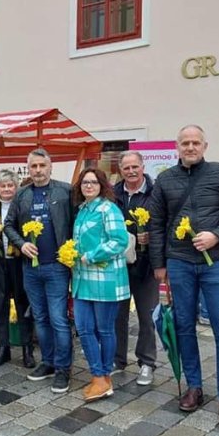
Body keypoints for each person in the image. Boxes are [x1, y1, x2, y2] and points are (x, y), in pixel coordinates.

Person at [148, 125, 219, 426]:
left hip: (215, 262)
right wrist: (159, 265)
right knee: (183, 326)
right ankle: (194, 386)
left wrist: (217, 236)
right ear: (177, 147)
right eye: (185, 143)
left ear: (205, 145)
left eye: (195, 143)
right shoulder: (165, 179)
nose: (190, 147)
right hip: (178, 262)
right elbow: (157, 224)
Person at [5, 148, 75, 394]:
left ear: (50, 166)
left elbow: (76, 224)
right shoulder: (22, 194)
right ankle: (48, 361)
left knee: (58, 318)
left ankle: (63, 368)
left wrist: (71, 254)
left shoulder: (66, 191)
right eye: (33, 166)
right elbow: (8, 224)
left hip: (56, 266)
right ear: (28, 168)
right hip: (30, 269)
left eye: (42, 166)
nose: (38, 170)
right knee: (40, 318)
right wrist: (21, 243)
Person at [72, 168, 130, 402]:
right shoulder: (82, 210)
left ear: (101, 185)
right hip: (81, 278)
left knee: (104, 329)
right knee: (84, 328)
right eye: (85, 182)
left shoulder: (108, 208)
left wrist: (93, 255)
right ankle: (97, 375)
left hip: (105, 278)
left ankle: (104, 376)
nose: (88, 186)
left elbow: (120, 240)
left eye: (93, 182)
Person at [112, 150, 158, 384]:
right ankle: (118, 359)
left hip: (147, 265)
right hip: (118, 265)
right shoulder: (113, 193)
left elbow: (164, 222)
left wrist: (152, 237)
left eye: (134, 167)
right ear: (120, 170)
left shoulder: (155, 192)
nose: (131, 171)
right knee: (117, 315)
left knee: (147, 315)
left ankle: (147, 362)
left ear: (142, 166)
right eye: (126, 168)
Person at [0, 170, 35, 368]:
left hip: (19, 261)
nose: (7, 189)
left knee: (22, 303)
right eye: (3, 186)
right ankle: (3, 347)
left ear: (16, 187)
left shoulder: (23, 205)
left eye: (10, 185)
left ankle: (27, 349)